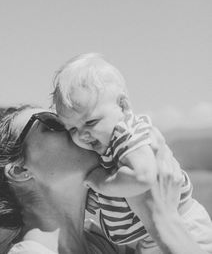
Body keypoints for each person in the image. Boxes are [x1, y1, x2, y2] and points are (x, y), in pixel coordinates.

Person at [0, 104, 209, 254]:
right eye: (53, 123)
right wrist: (165, 220)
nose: (74, 127)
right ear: (19, 170)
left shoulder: (109, 240)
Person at [52, 52, 212, 252]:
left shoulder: (126, 133)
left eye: (90, 122)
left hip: (186, 227)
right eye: (72, 129)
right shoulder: (108, 146)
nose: (82, 134)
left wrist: (99, 182)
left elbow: (142, 176)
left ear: (123, 105)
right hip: (149, 238)